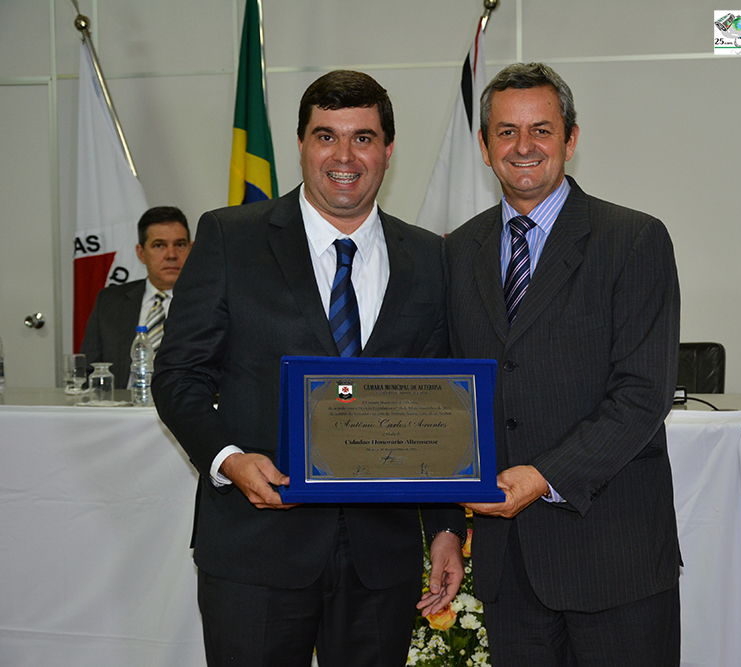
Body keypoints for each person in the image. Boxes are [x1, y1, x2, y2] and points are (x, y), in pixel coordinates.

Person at [152, 70, 466, 667]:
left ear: (388, 150)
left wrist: (447, 527)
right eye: (326, 136)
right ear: (301, 144)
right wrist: (229, 461)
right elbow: (178, 375)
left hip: (381, 558)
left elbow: (441, 405)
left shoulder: (430, 257)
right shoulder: (230, 238)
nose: (344, 156)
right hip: (255, 549)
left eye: (363, 138)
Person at [445, 63, 683, 666]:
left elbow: (643, 395)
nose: (523, 146)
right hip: (509, 565)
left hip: (614, 557)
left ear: (570, 140)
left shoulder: (633, 240)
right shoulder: (456, 252)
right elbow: (446, 398)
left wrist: (541, 476)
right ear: (484, 147)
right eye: (506, 131)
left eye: (541, 130)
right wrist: (446, 522)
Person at [79, 206, 190, 387]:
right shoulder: (109, 301)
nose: (171, 255)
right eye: (159, 245)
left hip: (183, 403)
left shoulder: (211, 304)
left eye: (179, 245)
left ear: (191, 249)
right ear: (141, 253)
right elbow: (88, 371)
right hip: (122, 403)